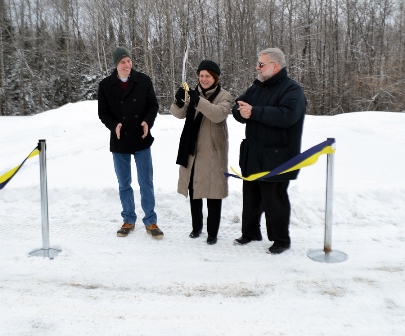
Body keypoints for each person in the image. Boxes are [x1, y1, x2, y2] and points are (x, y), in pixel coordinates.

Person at [232, 48, 306, 254]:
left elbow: (287, 116)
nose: (257, 67)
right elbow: (238, 107)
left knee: (275, 200)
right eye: (258, 63)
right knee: (251, 197)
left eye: (261, 64)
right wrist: (241, 112)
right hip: (253, 154)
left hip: (277, 156)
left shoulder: (292, 90)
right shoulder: (256, 88)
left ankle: (281, 240)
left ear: (275, 66)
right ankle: (250, 233)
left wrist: (254, 111)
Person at [98, 47, 164, 238]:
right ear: (116, 65)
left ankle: (151, 221)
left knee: (146, 182)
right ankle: (128, 219)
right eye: (122, 62)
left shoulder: (143, 81)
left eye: (129, 61)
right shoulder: (105, 85)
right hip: (120, 140)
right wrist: (114, 126)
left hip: (141, 138)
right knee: (124, 183)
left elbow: (153, 105)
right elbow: (103, 113)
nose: (127, 65)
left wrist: (147, 122)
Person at [170, 60, 232, 245]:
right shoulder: (192, 94)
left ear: (215, 78)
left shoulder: (224, 96)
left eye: (208, 76)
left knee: (213, 191)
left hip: (212, 150)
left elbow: (217, 114)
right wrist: (179, 100)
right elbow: (179, 114)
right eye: (201, 75)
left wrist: (198, 101)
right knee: (194, 188)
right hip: (192, 148)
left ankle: (212, 232)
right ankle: (196, 228)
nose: (204, 79)